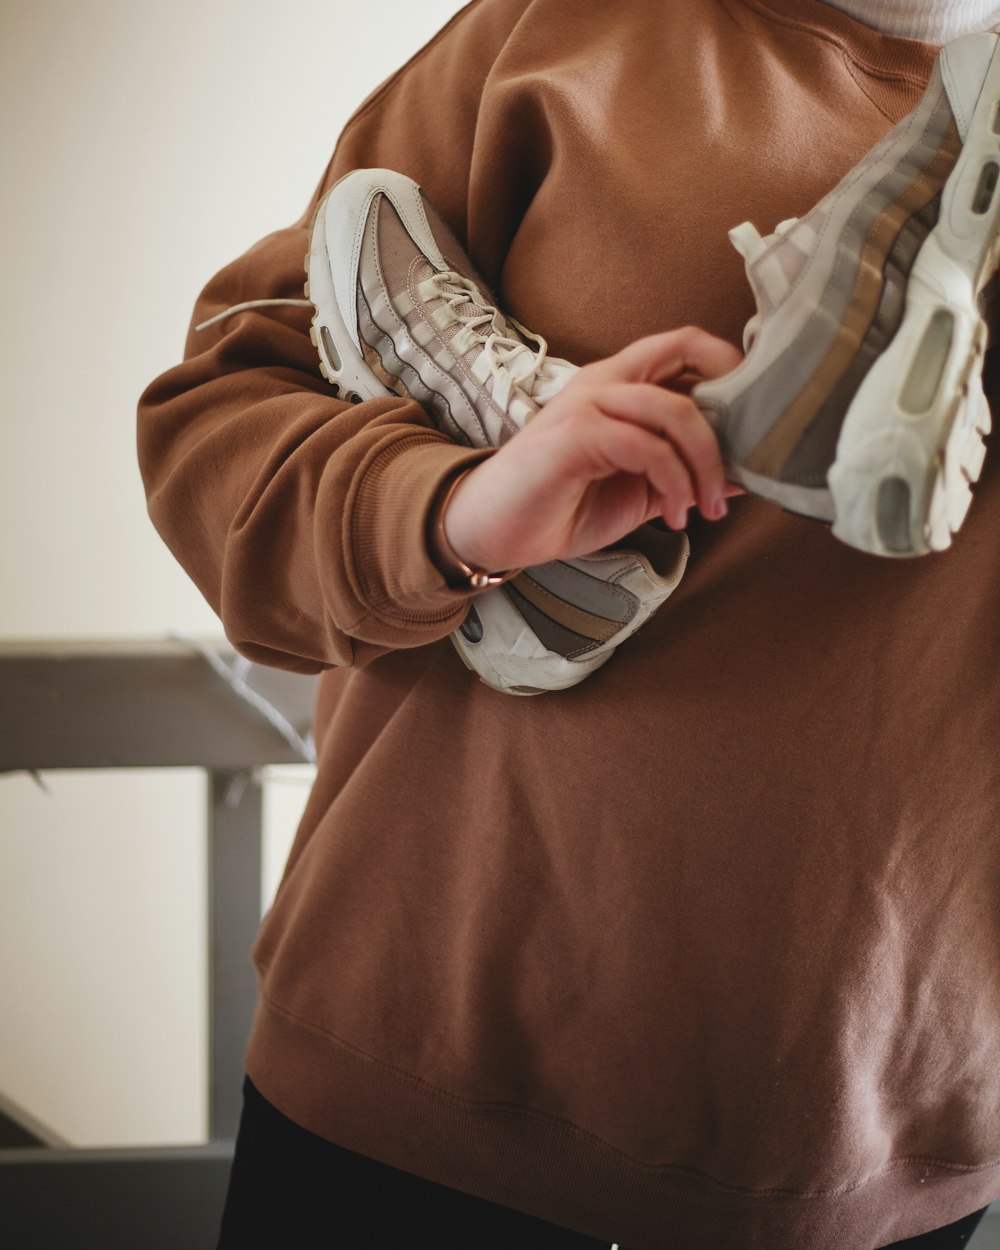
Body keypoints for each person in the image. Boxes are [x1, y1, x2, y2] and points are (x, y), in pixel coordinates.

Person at [136, 1, 1000, 1246]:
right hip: (412, 1088)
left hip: (887, 1124)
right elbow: (210, 429)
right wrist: (452, 513)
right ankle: (527, 416)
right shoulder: (566, 26)